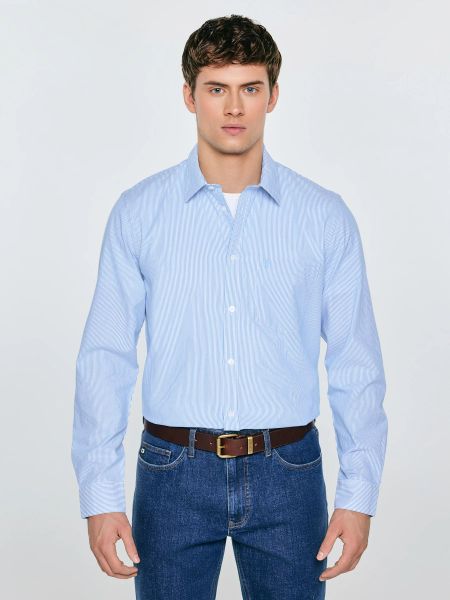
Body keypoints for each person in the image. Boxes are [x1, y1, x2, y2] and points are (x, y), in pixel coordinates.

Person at [71, 14, 388, 600]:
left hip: (289, 471)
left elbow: (355, 362)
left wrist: (358, 496)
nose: (235, 107)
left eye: (250, 88)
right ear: (189, 96)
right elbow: (106, 358)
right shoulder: (140, 213)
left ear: (273, 95)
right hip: (171, 471)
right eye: (217, 88)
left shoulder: (324, 217)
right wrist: (100, 497)